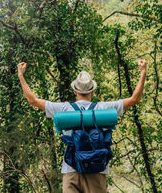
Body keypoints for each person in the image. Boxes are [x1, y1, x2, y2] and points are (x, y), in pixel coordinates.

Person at [17, 60, 147, 193]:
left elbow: (32, 100)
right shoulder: (104, 108)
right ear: (93, 91)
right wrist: (143, 72)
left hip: (71, 170)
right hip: (97, 170)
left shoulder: (64, 109)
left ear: (74, 91)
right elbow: (134, 99)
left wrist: (21, 75)